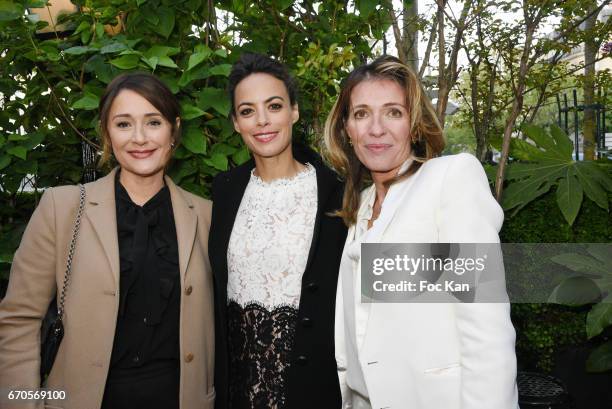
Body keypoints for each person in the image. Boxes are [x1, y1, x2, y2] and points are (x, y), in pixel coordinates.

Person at [0, 73, 215, 409]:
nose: (140, 138)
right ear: (107, 134)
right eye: (124, 124)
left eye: (153, 122)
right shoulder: (63, 207)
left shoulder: (206, 216)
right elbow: (19, 319)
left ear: (173, 131)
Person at [324, 55, 519, 409]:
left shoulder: (449, 179)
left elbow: (485, 328)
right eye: (362, 113)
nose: (377, 128)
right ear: (346, 129)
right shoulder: (360, 206)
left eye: (393, 112)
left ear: (414, 126)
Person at [209, 53, 347, 409]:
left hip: (312, 389)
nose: (262, 121)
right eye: (247, 111)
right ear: (236, 123)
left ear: (294, 111)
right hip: (237, 392)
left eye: (273, 106)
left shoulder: (338, 193)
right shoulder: (223, 192)